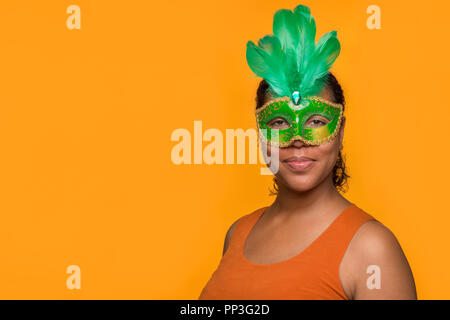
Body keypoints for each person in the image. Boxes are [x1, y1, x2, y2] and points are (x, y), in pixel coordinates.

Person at [198, 4, 416, 300]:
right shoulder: (237, 233)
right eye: (279, 122)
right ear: (262, 135)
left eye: (316, 121)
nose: (298, 139)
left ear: (340, 132)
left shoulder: (372, 250)